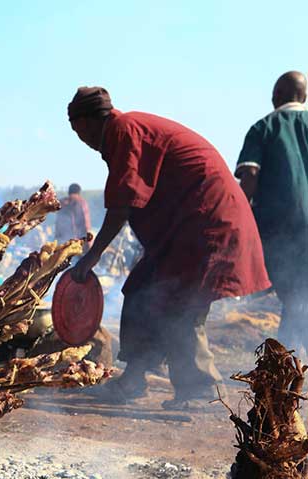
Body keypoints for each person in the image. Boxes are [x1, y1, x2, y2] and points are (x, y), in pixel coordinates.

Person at [67, 86, 270, 409]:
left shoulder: (123, 130)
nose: (81, 139)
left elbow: (122, 205)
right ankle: (133, 379)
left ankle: (203, 389)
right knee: (141, 289)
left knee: (182, 303)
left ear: (90, 121)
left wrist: (91, 257)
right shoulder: (127, 130)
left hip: (207, 222)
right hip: (183, 229)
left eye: (78, 131)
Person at [236, 71, 308, 355]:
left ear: (275, 97)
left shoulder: (264, 128)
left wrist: (241, 217)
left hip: (280, 229)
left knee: (292, 299)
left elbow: (250, 173)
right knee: (299, 300)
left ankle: (282, 365)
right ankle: (284, 367)